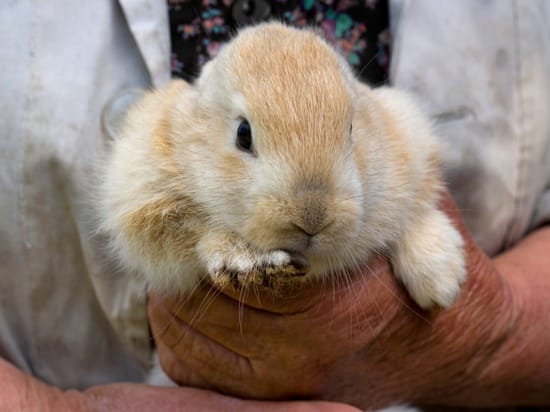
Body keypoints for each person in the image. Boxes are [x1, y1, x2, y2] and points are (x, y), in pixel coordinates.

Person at [1, 0, 549, 410]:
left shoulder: (387, 136)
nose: (309, 214)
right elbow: (140, 229)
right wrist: (52, 406)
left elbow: (414, 150)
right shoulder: (172, 131)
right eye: (245, 139)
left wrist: (489, 334)